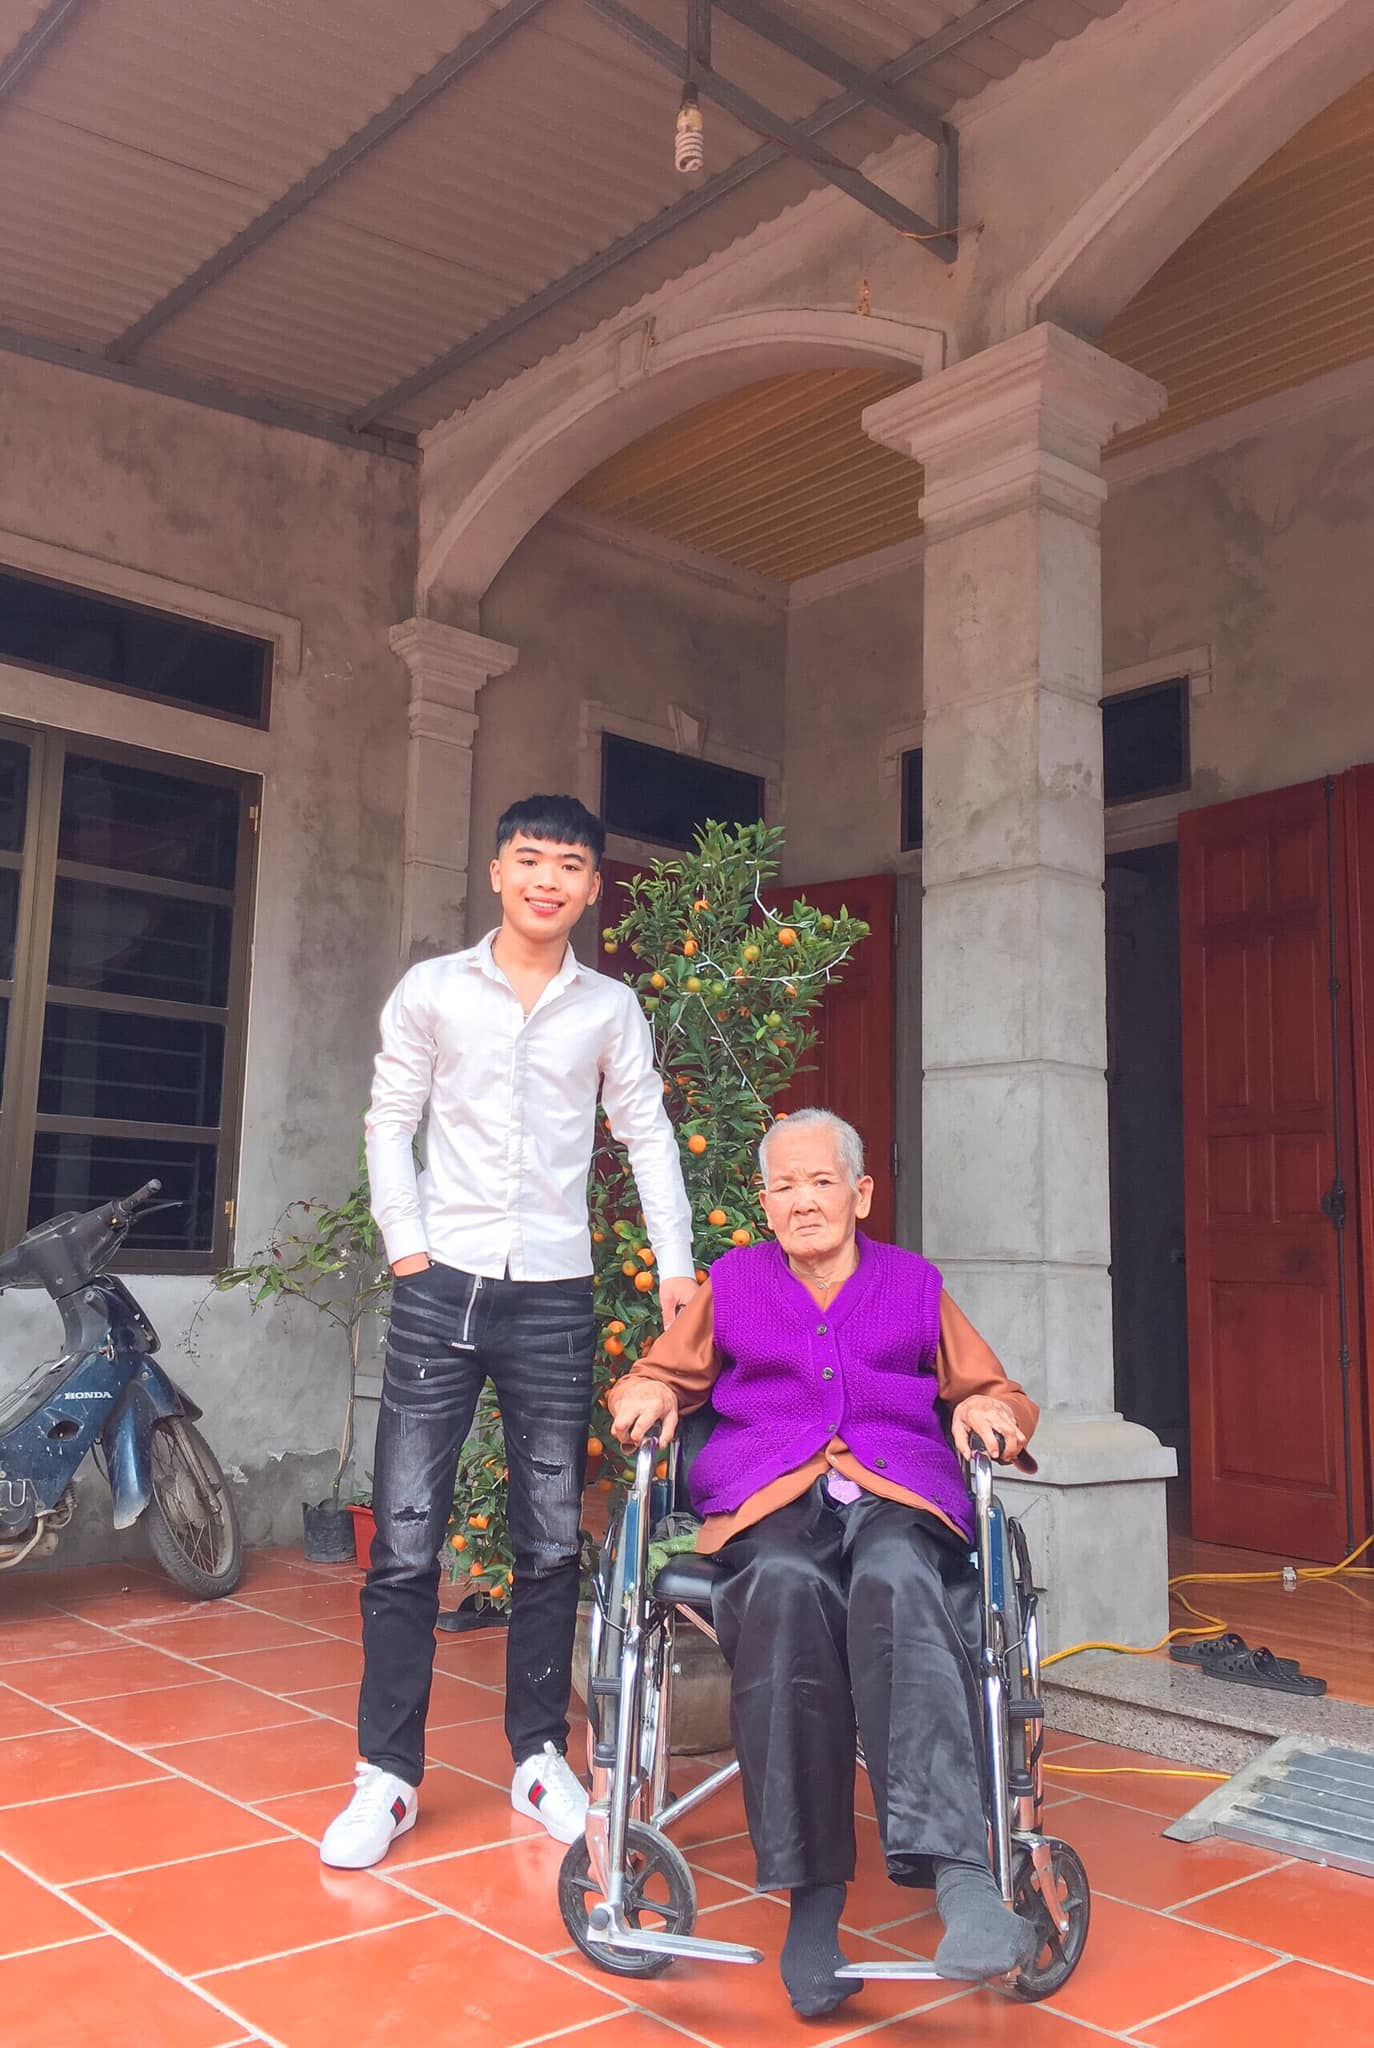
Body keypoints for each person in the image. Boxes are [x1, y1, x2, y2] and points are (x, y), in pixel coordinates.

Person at [321, 794, 696, 1870]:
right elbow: (390, 1119)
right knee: (404, 1538)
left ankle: (538, 1756)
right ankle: (387, 1775)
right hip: (440, 1287)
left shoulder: (609, 1008)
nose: (547, 880)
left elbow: (646, 1133)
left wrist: (675, 1264)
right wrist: (407, 1245)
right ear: (497, 872)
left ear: (592, 886)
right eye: (530, 859)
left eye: (569, 865)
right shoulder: (435, 989)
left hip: (554, 1295)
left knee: (547, 1537)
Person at [608, 1107, 1040, 2018]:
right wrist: (647, 1389)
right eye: (784, 1187)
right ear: (764, 1205)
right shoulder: (734, 1283)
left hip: (894, 1494)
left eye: (821, 1182)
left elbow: (989, 1386)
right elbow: (665, 1372)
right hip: (771, 1498)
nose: (803, 1201)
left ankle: (963, 1880)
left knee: (898, 1578)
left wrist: (984, 1410)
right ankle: (812, 1911)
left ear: (861, 1193)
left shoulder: (913, 1284)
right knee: (783, 1587)